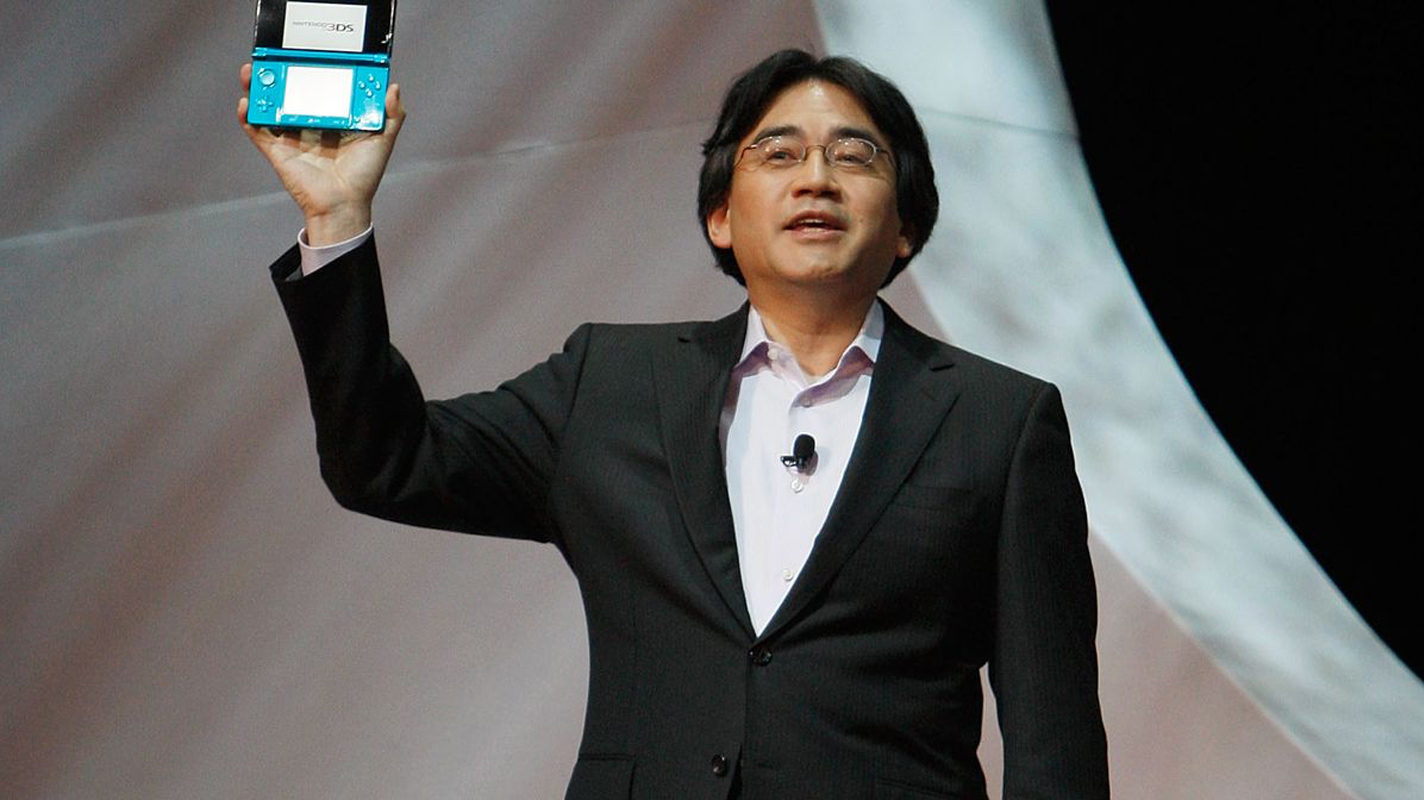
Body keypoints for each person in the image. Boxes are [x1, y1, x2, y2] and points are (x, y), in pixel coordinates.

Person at [241, 49, 1108, 800]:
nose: (816, 177)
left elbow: (1055, 736)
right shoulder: (612, 384)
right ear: (720, 216)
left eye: (854, 156)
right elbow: (384, 460)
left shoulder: (999, 421)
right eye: (778, 153)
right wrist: (336, 220)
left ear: (907, 225)